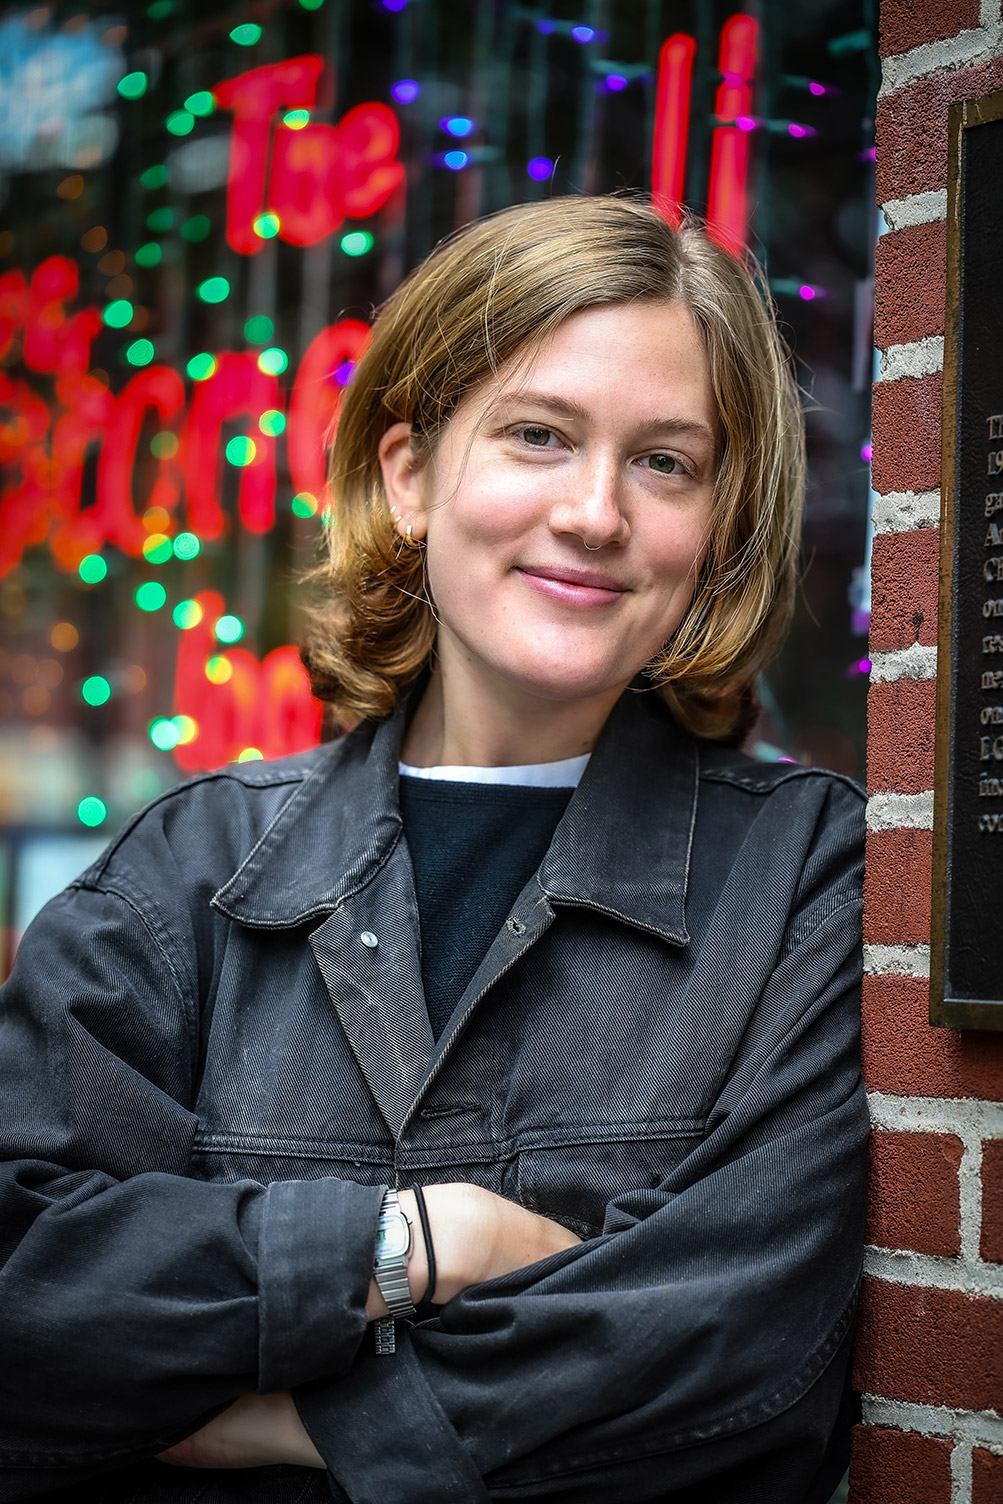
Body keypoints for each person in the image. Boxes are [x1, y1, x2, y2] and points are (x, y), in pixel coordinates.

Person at [0, 195, 868, 1504]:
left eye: (666, 462)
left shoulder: (804, 876)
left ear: (718, 525)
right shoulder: (196, 868)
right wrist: (419, 1240)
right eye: (538, 435)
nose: (593, 512)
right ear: (409, 475)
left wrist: (287, 1422)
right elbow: (27, 1290)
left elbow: (737, 1361)